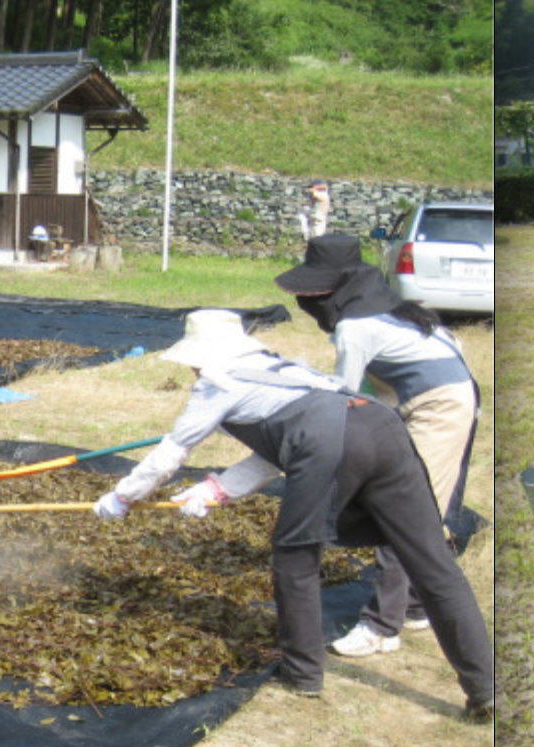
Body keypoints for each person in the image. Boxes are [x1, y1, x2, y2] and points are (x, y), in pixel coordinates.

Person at [92, 308, 496, 720]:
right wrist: (219, 488)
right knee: (432, 561)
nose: (192, 369)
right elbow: (281, 449)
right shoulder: (284, 369)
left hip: (331, 442)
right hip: (384, 427)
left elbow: (170, 455)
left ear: (200, 356)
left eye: (193, 361)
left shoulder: (215, 384)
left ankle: (303, 673)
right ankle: (485, 688)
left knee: (295, 557)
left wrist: (122, 496)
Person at [275, 234, 478, 659]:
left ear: (330, 291)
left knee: (404, 513)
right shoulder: (393, 308)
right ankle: (418, 606)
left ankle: (382, 626)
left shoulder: (355, 326)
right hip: (455, 397)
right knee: (429, 508)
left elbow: (343, 402)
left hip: (439, 408)